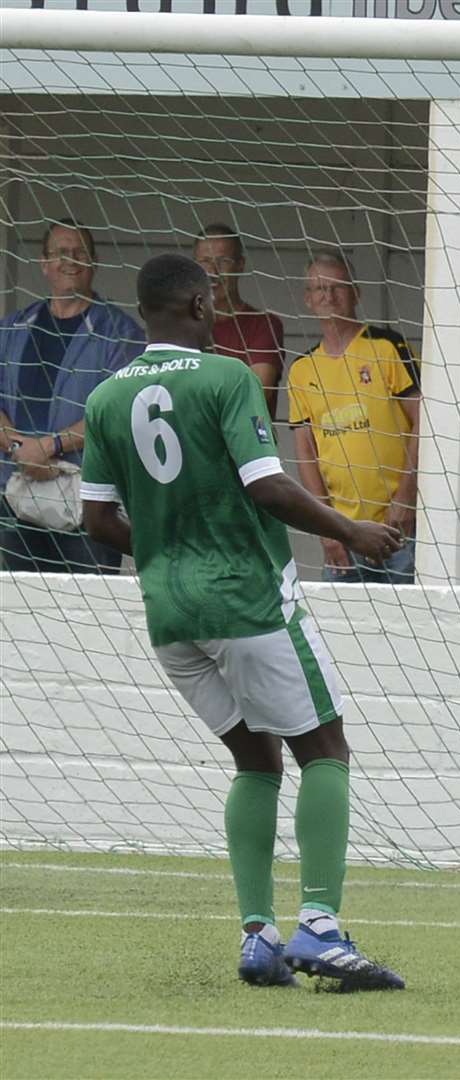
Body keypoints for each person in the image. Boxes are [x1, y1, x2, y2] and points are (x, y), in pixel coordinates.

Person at [79, 253, 405, 990]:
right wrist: (351, 532)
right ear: (198, 305)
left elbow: (96, 519)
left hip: (168, 612)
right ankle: (320, 926)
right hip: (245, 597)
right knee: (325, 747)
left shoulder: (103, 398)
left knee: (255, 759)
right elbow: (267, 484)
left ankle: (258, 934)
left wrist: (165, 550)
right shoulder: (226, 377)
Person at [0, 217, 142, 573]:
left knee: (87, 613)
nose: (71, 260)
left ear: (94, 263)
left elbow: (119, 412)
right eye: (61, 253)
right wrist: (20, 449)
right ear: (44, 264)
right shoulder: (13, 327)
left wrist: (49, 448)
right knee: (17, 611)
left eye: (80, 253)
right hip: (13, 496)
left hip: (87, 504)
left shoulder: (122, 334)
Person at [286, 251, 420, 584]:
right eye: (318, 289)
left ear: (356, 293)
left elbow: (425, 422)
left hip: (397, 528)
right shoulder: (302, 370)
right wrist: (325, 528)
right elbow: (306, 453)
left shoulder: (388, 346)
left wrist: (406, 497)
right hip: (343, 534)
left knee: (407, 631)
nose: (328, 296)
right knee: (341, 634)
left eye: (337, 287)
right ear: (307, 299)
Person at [194, 223, 285, 416]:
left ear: (241, 264)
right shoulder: (184, 325)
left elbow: (255, 395)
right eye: (205, 261)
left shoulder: (263, 324)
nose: (213, 271)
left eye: (223, 261)